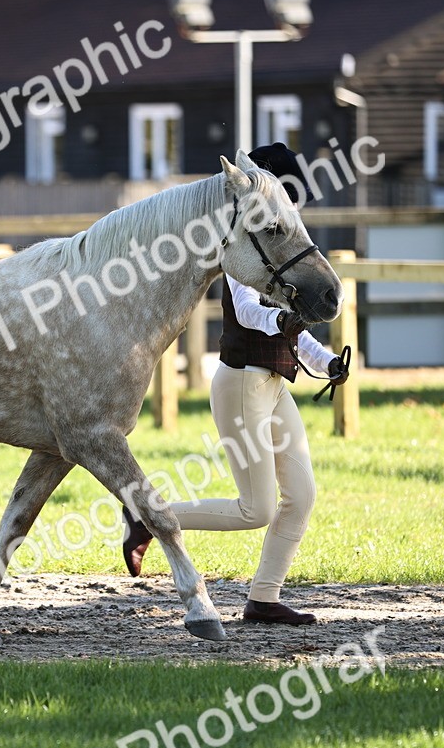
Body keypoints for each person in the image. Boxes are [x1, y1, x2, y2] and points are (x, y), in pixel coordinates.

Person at [122, 142, 349, 626]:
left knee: (302, 496)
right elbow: (250, 312)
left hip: (272, 385)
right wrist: (285, 324)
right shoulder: (247, 247)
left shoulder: (276, 244)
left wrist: (327, 363)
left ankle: (263, 598)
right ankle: (146, 518)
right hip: (242, 384)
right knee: (256, 508)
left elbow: (293, 331)